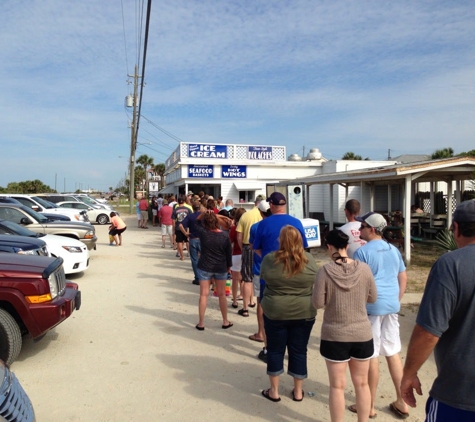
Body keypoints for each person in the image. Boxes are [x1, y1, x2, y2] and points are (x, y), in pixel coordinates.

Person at [401, 200, 475, 421]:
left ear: (457, 229)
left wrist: (409, 373)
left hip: (459, 392)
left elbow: (429, 332)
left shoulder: (451, 265)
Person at [312, 229, 377, 422]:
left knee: (337, 386)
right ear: (347, 246)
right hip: (362, 333)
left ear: (329, 247)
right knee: (362, 384)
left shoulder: (324, 271)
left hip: (335, 334)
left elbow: (317, 303)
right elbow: (373, 297)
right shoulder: (364, 269)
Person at [350, 212, 409, 419]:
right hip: (391, 305)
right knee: (393, 352)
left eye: (363, 225)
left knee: (372, 354)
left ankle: (370, 404)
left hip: (372, 307)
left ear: (372, 229)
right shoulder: (393, 249)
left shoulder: (362, 252)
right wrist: (396, 299)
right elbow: (403, 276)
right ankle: (402, 400)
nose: (359, 229)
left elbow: (357, 284)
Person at [260, 226, 317, 402]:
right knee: (299, 350)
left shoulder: (271, 259)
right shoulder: (309, 259)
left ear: (281, 240)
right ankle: (298, 391)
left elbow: (264, 277)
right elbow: (315, 279)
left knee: (275, 350)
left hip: (275, 310)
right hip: (304, 310)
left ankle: (274, 391)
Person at [194, 212, 233, 331]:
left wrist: (204, 214)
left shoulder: (204, 233)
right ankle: (225, 320)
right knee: (222, 295)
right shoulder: (225, 236)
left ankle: (201, 322)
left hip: (205, 266)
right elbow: (228, 254)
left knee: (203, 295)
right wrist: (228, 267)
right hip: (220, 266)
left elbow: (196, 222)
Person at [248, 200, 272, 348]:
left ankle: (261, 333)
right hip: (277, 270)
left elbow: (252, 246)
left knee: (261, 302)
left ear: (260, 212)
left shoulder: (256, 227)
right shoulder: (281, 225)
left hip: (259, 268)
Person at [236, 195, 264, 318]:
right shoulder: (266, 216)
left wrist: (242, 248)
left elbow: (239, 235)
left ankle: (246, 308)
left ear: (255, 203)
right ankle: (255, 302)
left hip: (248, 247)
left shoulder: (245, 215)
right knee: (260, 276)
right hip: (263, 249)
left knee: (247, 278)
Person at [179, 200, 202, 285]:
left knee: (194, 259)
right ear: (199, 207)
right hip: (203, 238)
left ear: (192, 208)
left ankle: (197, 278)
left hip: (193, 238)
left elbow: (181, 225)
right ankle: (205, 277)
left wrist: (185, 233)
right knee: (204, 258)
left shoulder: (190, 216)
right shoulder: (203, 216)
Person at [229, 208, 246, 308]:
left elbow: (230, 242)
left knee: (235, 279)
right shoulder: (248, 226)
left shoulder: (234, 228)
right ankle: (245, 297)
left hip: (235, 253)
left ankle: (235, 300)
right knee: (245, 279)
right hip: (246, 253)